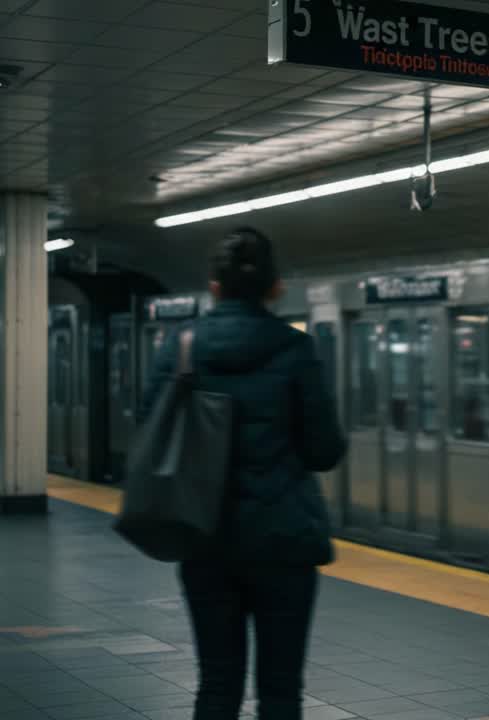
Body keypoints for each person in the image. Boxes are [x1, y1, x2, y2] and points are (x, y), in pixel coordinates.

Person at [139, 227, 347, 720]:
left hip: (205, 538)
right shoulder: (294, 349)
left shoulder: (181, 347)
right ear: (275, 287)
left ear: (214, 286)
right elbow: (324, 450)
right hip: (285, 542)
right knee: (280, 691)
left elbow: (151, 427)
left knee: (217, 683)